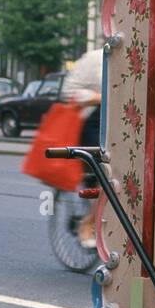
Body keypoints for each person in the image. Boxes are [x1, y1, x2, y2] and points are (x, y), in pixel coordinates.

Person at [61, 47, 104, 249]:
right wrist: (98, 97)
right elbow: (71, 94)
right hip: (87, 121)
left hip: (104, 121)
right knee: (103, 174)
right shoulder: (98, 59)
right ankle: (86, 225)